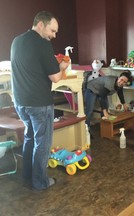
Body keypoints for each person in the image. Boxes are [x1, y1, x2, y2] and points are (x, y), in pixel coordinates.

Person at [10, 11, 69, 190]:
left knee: (29, 138)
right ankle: (40, 182)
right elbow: (55, 78)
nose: (54, 35)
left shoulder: (16, 41)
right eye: (52, 30)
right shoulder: (42, 44)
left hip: (20, 101)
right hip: (39, 104)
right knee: (42, 143)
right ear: (41, 25)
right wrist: (62, 67)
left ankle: (27, 175)